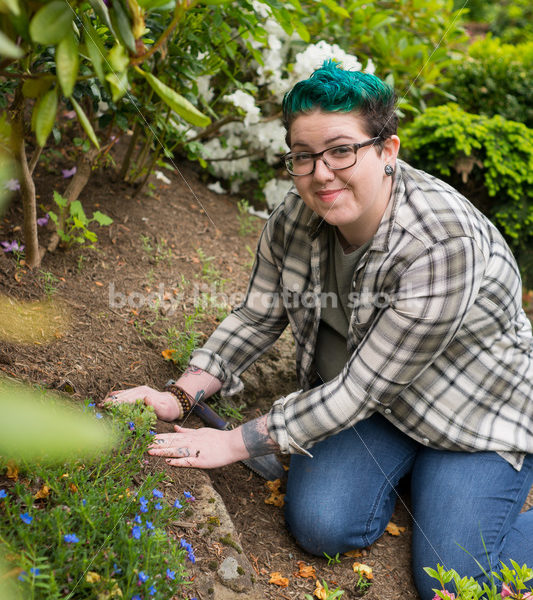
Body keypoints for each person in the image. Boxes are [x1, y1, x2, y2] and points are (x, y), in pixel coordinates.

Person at [104, 60, 533, 599]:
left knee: (451, 581)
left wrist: (235, 442)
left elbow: (360, 389)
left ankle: (454, 485)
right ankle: (417, 479)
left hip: (470, 416)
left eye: (341, 150)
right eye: (303, 156)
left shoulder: (441, 244)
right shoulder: (295, 218)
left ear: (387, 151)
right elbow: (257, 316)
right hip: (379, 410)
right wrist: (179, 397)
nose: (321, 172)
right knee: (320, 524)